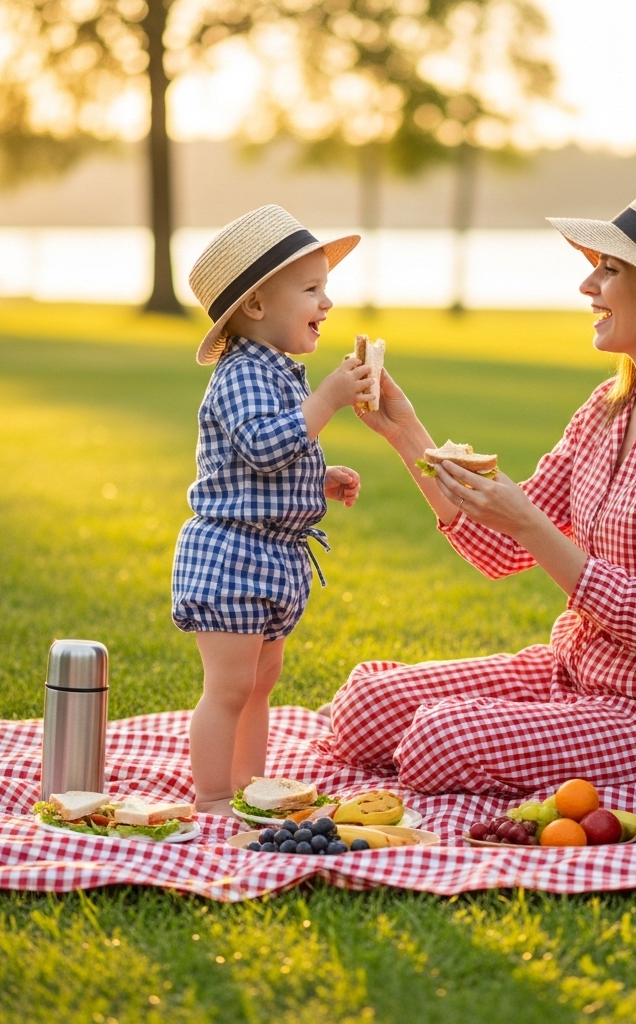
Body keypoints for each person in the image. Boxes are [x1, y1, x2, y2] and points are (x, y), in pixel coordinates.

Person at [318, 185, 636, 797]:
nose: (587, 287)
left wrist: (530, 524)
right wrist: (405, 432)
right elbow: (499, 550)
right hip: (572, 673)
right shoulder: (606, 409)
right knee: (365, 706)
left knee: (438, 740)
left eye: (609, 270)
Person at [174, 205, 377, 814]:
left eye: (326, 288)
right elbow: (264, 447)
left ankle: (250, 789)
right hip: (231, 556)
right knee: (231, 685)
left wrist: (319, 480)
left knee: (261, 683)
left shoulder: (281, 374)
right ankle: (212, 795)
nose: (328, 303)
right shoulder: (241, 373)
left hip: (270, 557)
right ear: (257, 306)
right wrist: (331, 398)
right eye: (312, 289)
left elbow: (274, 461)